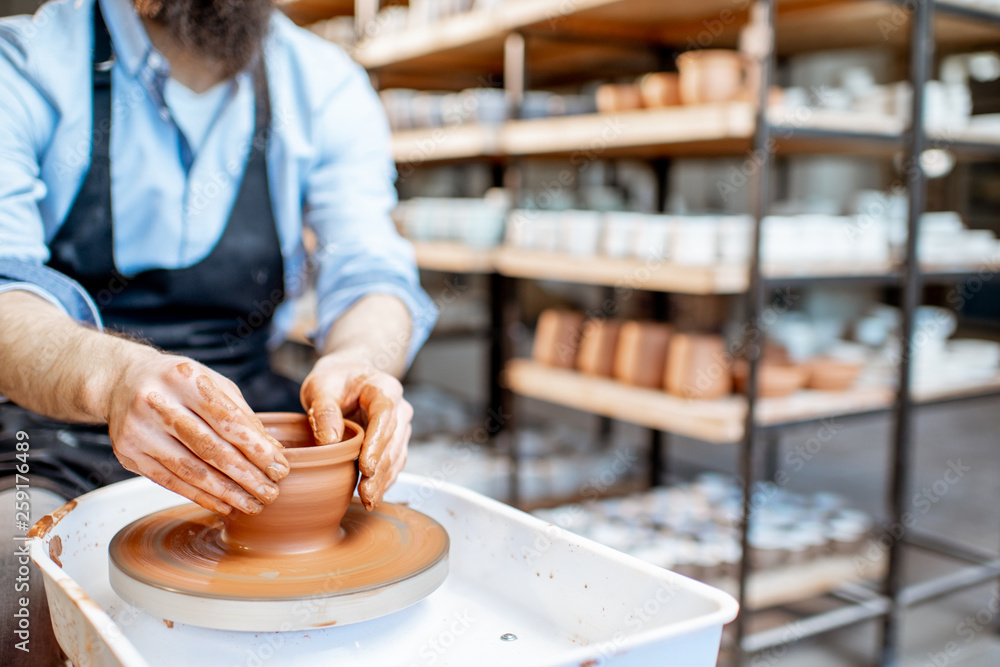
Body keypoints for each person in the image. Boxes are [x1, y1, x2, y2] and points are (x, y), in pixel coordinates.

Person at [0, 0, 436, 524]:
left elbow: (373, 272)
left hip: (244, 428)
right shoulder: (25, 64)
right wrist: (116, 380)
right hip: (51, 430)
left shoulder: (322, 82)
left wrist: (361, 360)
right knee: (18, 581)